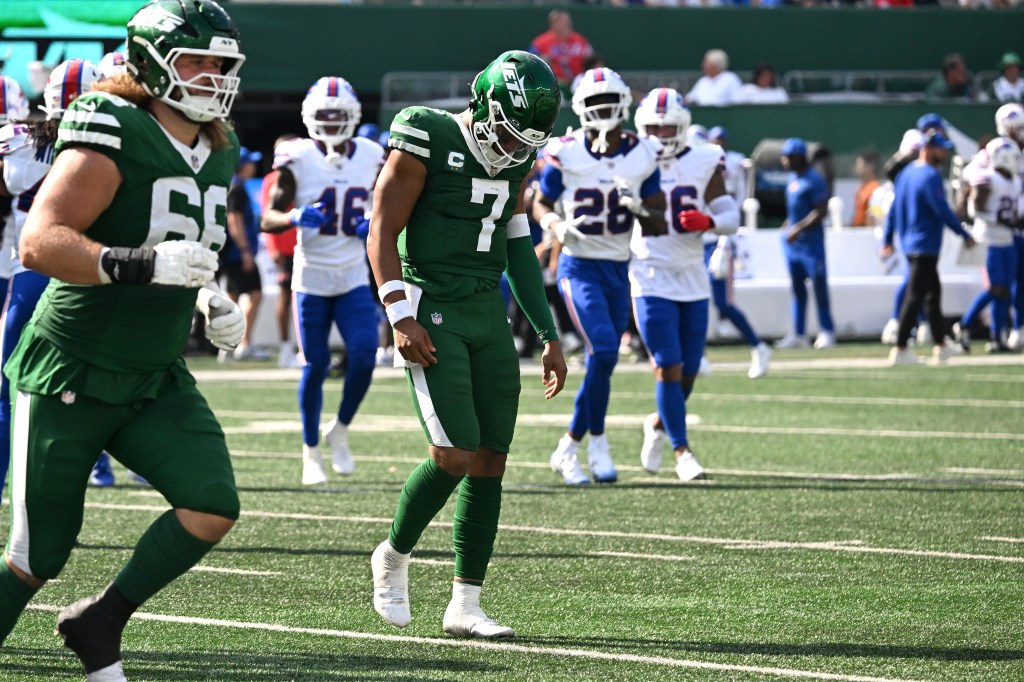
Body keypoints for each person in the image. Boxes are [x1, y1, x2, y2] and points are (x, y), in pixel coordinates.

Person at [0, 1, 247, 680]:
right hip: (73, 364)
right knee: (36, 554)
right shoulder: (112, 124)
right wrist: (136, 264)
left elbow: (187, 246)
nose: (211, 75)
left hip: (153, 370)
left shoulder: (218, 144)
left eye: (221, 62)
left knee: (212, 504)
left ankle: (100, 620)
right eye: (194, 60)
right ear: (148, 63)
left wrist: (207, 295)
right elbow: (40, 242)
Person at [367, 50, 566, 639]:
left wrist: (548, 332)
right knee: (454, 450)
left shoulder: (518, 157)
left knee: (491, 458)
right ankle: (394, 554)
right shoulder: (427, 134)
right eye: (506, 130)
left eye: (524, 138)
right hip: (432, 305)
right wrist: (400, 314)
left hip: (486, 312)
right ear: (483, 105)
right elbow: (382, 227)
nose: (512, 146)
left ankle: (465, 604)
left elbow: (515, 245)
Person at [533, 67, 667, 486]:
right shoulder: (567, 151)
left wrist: (642, 210)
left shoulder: (642, 153)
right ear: (579, 108)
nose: (603, 110)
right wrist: (555, 225)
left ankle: (570, 446)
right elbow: (539, 202)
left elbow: (660, 220)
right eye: (594, 103)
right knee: (606, 352)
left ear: (624, 105)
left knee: (602, 359)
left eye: (609, 102)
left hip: (617, 267)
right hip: (578, 266)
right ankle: (596, 443)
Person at [261, 77, 384, 485]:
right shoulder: (296, 158)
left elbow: (392, 205)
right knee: (314, 366)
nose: (331, 123)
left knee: (365, 355)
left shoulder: (371, 154)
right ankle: (310, 452)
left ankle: (341, 428)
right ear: (309, 119)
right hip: (310, 277)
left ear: (352, 118)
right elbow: (269, 216)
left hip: (352, 275)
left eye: (338, 116)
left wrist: (374, 224)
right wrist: (293, 217)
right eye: (324, 116)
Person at [0, 60, 104, 502]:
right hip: (83, 279)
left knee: (8, 393)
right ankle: (57, 502)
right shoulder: (113, 148)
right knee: (71, 398)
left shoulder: (19, 142)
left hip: (28, 274)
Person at [630, 88, 742, 482]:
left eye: (667, 125)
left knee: (690, 369)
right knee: (668, 364)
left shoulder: (704, 158)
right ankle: (682, 451)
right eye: (653, 126)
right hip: (649, 273)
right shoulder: (631, 158)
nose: (660, 133)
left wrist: (710, 222)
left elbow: (730, 212)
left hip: (692, 274)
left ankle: (659, 425)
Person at [883, 131, 976, 366]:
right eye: (940, 148)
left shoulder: (905, 174)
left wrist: (887, 238)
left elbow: (894, 210)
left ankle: (941, 345)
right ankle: (901, 347)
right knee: (915, 297)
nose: (944, 153)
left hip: (912, 243)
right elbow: (942, 210)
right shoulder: (929, 176)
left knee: (933, 295)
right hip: (924, 244)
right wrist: (964, 233)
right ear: (928, 148)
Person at [954, 137, 1021, 353]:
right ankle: (964, 324)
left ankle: (997, 336)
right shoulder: (987, 177)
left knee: (1005, 291)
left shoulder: (1015, 181)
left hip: (1007, 239)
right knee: (995, 287)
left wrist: (1015, 221)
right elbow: (975, 210)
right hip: (989, 238)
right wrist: (998, 219)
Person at [775, 137, 837, 350]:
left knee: (819, 287)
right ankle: (799, 334)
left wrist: (798, 228)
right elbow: (795, 210)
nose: (784, 160)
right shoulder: (793, 179)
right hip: (794, 246)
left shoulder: (814, 179)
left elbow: (822, 210)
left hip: (811, 245)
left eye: (788, 157)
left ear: (799, 158)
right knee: (797, 289)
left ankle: (827, 331)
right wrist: (788, 226)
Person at [220, 146, 267, 362]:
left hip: (232, 253)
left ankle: (227, 346)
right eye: (250, 162)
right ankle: (244, 344)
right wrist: (245, 250)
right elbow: (234, 221)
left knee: (232, 298)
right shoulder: (236, 189)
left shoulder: (233, 186)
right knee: (254, 294)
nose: (254, 166)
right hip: (237, 254)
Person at [259, 134, 302, 368]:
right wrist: (272, 246)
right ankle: (286, 347)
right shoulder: (271, 179)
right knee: (286, 297)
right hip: (285, 248)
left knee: (305, 298)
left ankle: (301, 347)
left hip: (305, 246)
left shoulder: (306, 173)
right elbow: (267, 216)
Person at [528, 10, 594, 92]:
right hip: (554, 84)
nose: (564, 25)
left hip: (579, 82)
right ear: (552, 24)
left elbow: (593, 62)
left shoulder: (580, 40)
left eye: (566, 22)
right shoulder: (540, 43)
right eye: (559, 22)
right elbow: (530, 67)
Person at [852, 150, 882, 227]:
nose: (857, 167)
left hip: (866, 233)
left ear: (870, 167)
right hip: (857, 231)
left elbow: (874, 217)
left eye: (860, 164)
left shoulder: (876, 190)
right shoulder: (860, 188)